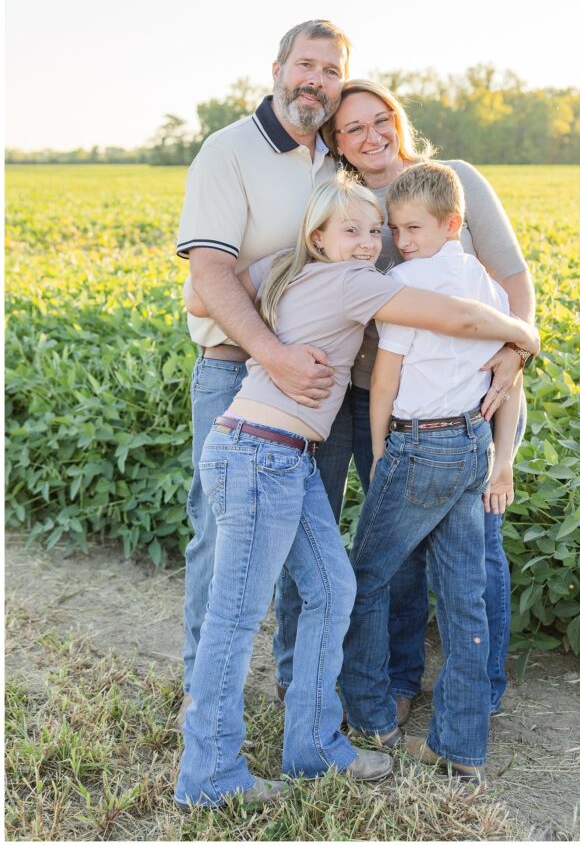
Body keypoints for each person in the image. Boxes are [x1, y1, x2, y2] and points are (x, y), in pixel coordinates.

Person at [174, 174, 539, 808]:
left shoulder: (286, 271)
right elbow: (453, 316)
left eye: (376, 231)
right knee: (235, 618)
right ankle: (207, 771)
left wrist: (283, 281)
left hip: (282, 459)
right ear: (318, 236)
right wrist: (524, 336)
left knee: (335, 588)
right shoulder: (352, 281)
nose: (370, 243)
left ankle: (314, 749)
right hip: (259, 457)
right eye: (353, 230)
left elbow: (200, 296)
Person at [275, 79, 534, 721]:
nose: (371, 136)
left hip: (474, 393)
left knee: (479, 548)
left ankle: (481, 691)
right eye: (352, 129)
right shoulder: (347, 200)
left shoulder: (454, 180)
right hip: (375, 396)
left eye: (379, 119)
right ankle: (393, 677)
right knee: (398, 547)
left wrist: (515, 349)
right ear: (337, 143)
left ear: (398, 118)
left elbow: (513, 277)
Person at [175, 20, 356, 730]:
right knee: (219, 537)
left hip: (320, 385)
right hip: (235, 373)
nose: (316, 79)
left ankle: (294, 692)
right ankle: (203, 700)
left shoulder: (336, 164)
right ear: (278, 67)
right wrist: (271, 353)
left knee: (309, 541)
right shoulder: (229, 150)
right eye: (305, 64)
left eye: (331, 70)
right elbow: (209, 273)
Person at [339, 162, 523, 790]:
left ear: (453, 223)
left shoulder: (403, 284)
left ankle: (370, 719)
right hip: (471, 443)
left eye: (413, 227)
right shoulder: (484, 283)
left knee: (365, 577)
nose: (402, 239)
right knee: (464, 595)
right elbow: (508, 373)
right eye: (395, 229)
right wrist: (503, 458)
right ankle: (462, 746)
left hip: (419, 447)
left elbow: (384, 379)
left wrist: (382, 448)